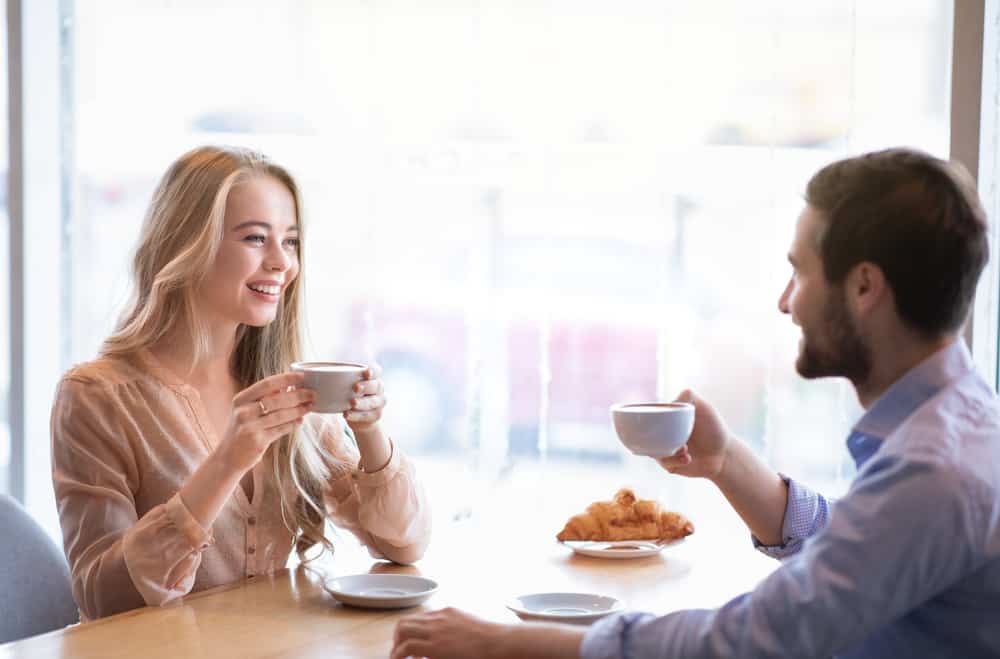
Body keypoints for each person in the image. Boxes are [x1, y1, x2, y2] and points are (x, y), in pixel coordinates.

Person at [390, 147, 1000, 658]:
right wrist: (726, 460)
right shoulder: (956, 426)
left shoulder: (933, 469)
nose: (786, 302)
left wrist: (499, 644)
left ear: (864, 287)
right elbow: (859, 546)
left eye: (801, 273)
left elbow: (751, 641)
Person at [51, 145, 431, 621]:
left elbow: (403, 545)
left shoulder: (286, 390)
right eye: (255, 238)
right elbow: (102, 598)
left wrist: (370, 431)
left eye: (290, 241)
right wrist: (228, 459)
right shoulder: (97, 396)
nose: (282, 263)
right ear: (186, 244)